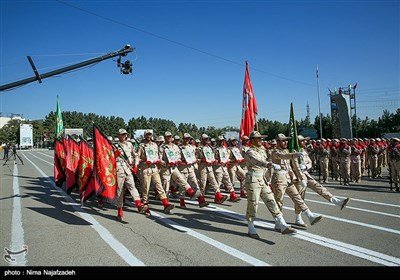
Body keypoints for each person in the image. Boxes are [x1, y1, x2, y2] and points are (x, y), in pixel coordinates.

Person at [244, 131, 296, 238]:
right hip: (253, 180)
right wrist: (269, 164)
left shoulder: (263, 150)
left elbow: (271, 158)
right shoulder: (249, 151)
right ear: (252, 140)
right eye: (258, 139)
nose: (261, 141)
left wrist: (268, 177)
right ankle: (250, 226)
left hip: (262, 179)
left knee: (271, 200)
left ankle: (282, 224)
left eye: (261, 139)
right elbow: (255, 161)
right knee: (253, 204)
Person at [292, 135, 350, 227]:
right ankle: (298, 218)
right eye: (302, 141)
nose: (305, 142)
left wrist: (306, 166)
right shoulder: (293, 152)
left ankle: (337, 202)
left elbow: (310, 162)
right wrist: (298, 169)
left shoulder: (303, 151)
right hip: (298, 177)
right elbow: (292, 165)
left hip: (306, 174)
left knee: (319, 187)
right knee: (301, 197)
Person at [271, 133, 323, 229]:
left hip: (287, 178)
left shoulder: (286, 150)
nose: (286, 142)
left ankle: (310, 215)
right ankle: (278, 223)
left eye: (286, 140)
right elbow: (284, 156)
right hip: (278, 179)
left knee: (297, 197)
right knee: (279, 201)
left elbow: (289, 167)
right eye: (283, 140)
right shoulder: (275, 152)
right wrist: (295, 154)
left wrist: (295, 177)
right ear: (277, 142)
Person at [137, 129, 174, 214]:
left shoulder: (154, 145)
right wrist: (144, 161)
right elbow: (137, 157)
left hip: (154, 168)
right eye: (147, 135)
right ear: (145, 136)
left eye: (150, 134)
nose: (148, 136)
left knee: (159, 186)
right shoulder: (141, 146)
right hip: (146, 169)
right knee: (146, 188)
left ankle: (165, 204)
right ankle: (145, 207)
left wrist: (158, 161)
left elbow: (157, 156)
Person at [114, 129, 148, 221]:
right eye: (122, 134)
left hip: (128, 168)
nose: (124, 136)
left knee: (132, 186)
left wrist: (136, 165)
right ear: (119, 135)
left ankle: (138, 204)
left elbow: (135, 155)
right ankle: (119, 210)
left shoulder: (129, 144)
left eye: (125, 134)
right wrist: (114, 155)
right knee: (120, 190)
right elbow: (108, 158)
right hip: (119, 169)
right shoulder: (115, 146)